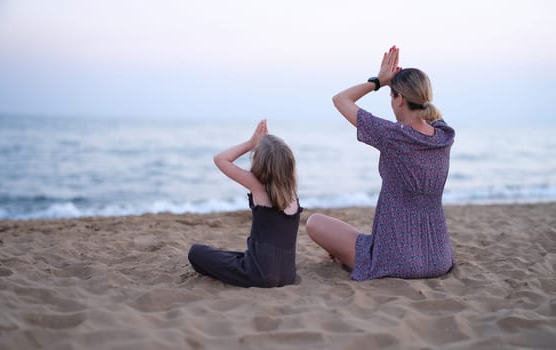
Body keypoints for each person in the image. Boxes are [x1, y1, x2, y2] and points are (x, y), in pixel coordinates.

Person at [306, 46, 456, 281]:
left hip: (395, 258)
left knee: (315, 223)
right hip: (439, 259)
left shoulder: (392, 136)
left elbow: (340, 100)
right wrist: (398, 85)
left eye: (391, 95)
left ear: (400, 99)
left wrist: (379, 80)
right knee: (361, 240)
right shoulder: (444, 136)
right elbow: (430, 112)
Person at [188, 119, 302, 287]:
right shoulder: (291, 191)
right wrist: (265, 143)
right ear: (288, 163)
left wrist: (251, 143)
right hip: (287, 275)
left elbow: (221, 159)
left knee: (196, 252)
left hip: (258, 273)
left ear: (259, 163)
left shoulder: (258, 187)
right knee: (236, 256)